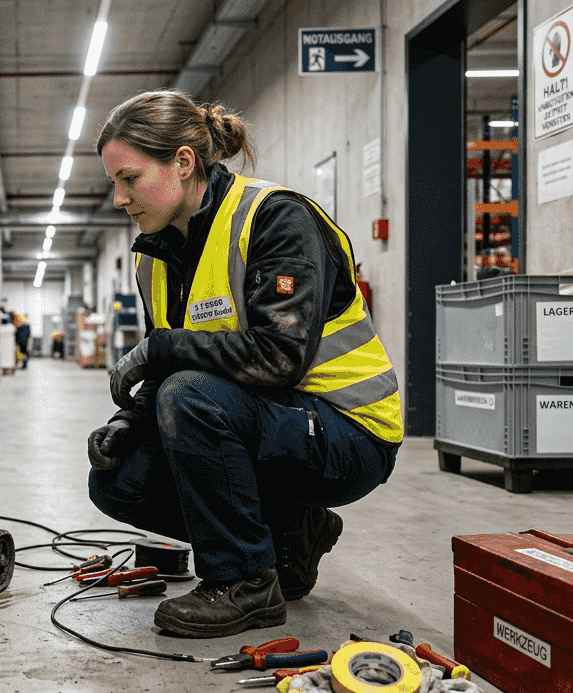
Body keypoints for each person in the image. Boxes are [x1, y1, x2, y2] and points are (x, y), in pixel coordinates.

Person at [86, 91, 403, 639]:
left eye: (129, 179)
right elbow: (170, 369)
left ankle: (244, 584)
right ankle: (288, 538)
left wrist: (162, 350)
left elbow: (278, 358)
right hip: (267, 422)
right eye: (115, 182)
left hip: (348, 431)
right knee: (119, 479)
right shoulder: (155, 257)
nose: (118, 198)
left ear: (183, 163)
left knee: (190, 395)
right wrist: (127, 424)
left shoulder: (277, 220)